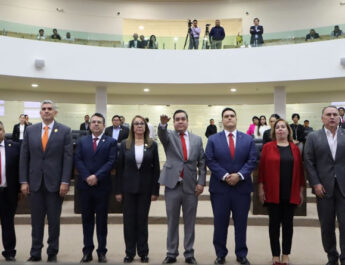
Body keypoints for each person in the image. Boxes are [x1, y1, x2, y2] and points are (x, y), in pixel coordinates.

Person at [20, 100, 73, 262]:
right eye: (43, 109)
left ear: (55, 112)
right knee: (36, 221)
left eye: (50, 109)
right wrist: (23, 180)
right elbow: (24, 157)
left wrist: (65, 181)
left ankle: (52, 251)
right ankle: (35, 252)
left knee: (54, 220)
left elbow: (68, 158)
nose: (46, 111)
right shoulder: (30, 131)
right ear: (40, 113)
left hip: (55, 184)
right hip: (35, 183)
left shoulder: (64, 131)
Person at [205, 107, 257, 265]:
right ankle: (220, 253)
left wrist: (239, 175)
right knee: (220, 222)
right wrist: (225, 175)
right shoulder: (213, 139)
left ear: (236, 119)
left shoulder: (248, 139)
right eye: (226, 116)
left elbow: (252, 160)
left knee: (241, 223)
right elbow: (210, 160)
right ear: (222, 120)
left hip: (241, 188)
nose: (229, 118)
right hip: (220, 188)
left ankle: (241, 253)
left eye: (232, 116)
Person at [158, 110, 206, 264]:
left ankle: (189, 254)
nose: (180, 121)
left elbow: (202, 164)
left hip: (191, 186)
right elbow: (162, 134)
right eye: (177, 119)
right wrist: (163, 124)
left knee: (190, 221)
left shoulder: (197, 140)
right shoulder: (169, 136)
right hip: (173, 185)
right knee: (172, 221)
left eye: (183, 119)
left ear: (187, 121)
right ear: (173, 122)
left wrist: (201, 182)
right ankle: (171, 253)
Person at [258, 119, 305, 265]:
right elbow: (261, 170)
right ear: (274, 131)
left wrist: (301, 191)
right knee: (273, 225)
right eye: (277, 127)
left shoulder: (295, 148)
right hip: (272, 192)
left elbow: (300, 171)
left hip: (290, 192)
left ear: (288, 131)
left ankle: (285, 254)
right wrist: (260, 189)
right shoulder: (267, 147)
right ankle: (275, 255)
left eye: (283, 127)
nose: (280, 129)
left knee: (288, 225)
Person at [115, 115, 160, 263]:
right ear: (132, 127)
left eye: (141, 124)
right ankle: (129, 253)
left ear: (145, 127)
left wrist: (155, 191)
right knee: (128, 222)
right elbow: (119, 169)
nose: (139, 126)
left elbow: (156, 170)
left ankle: (143, 252)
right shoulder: (124, 144)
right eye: (136, 124)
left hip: (145, 189)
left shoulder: (152, 144)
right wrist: (118, 190)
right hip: (127, 189)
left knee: (142, 221)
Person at [304, 106, 345, 265]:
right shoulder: (313, 137)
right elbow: (308, 162)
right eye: (328, 115)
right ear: (322, 118)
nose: (332, 117)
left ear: (339, 118)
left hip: (343, 188)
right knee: (327, 225)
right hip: (323, 188)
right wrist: (315, 183)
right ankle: (332, 257)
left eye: (335, 114)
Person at [75, 113, 117, 263]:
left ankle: (101, 251)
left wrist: (96, 176)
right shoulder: (81, 141)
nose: (96, 124)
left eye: (99, 122)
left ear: (104, 125)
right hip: (85, 187)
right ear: (89, 125)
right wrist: (87, 176)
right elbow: (78, 160)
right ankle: (87, 251)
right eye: (93, 122)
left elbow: (111, 161)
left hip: (102, 187)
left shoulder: (111, 142)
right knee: (86, 220)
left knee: (101, 221)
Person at [0, 121, 20, 261]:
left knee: (8, 223)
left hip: (8, 192)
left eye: (0, 129)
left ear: (4, 130)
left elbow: (20, 170)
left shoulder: (14, 147)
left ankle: (9, 251)